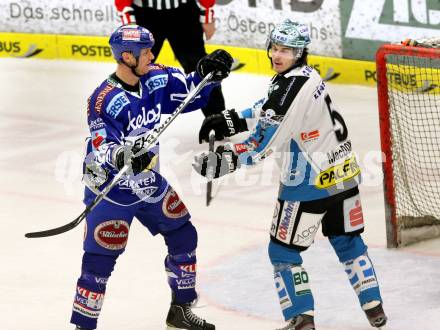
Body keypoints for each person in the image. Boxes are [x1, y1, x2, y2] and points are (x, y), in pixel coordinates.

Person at [193, 19, 387, 330]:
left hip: (309, 183)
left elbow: (263, 142)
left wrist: (223, 162)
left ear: (300, 52)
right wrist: (229, 119)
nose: (278, 55)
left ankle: (301, 319)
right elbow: (269, 106)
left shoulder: (287, 86)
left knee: (282, 251)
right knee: (348, 240)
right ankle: (374, 307)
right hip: (345, 173)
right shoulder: (306, 75)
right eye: (276, 48)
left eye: (288, 51)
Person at [70, 24, 232, 330]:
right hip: (110, 186)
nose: (152, 55)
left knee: (184, 234)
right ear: (127, 56)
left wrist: (209, 75)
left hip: (146, 181)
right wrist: (123, 156)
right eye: (146, 52)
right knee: (99, 262)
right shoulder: (102, 99)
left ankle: (180, 310)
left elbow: (191, 94)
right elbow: (102, 144)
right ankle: (83, 326)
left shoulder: (157, 77)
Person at [115, 0, 225, 118]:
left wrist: (207, 11)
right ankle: (124, 118)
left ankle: (218, 119)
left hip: (182, 12)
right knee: (135, 67)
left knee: (201, 67)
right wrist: (127, 17)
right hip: (145, 15)